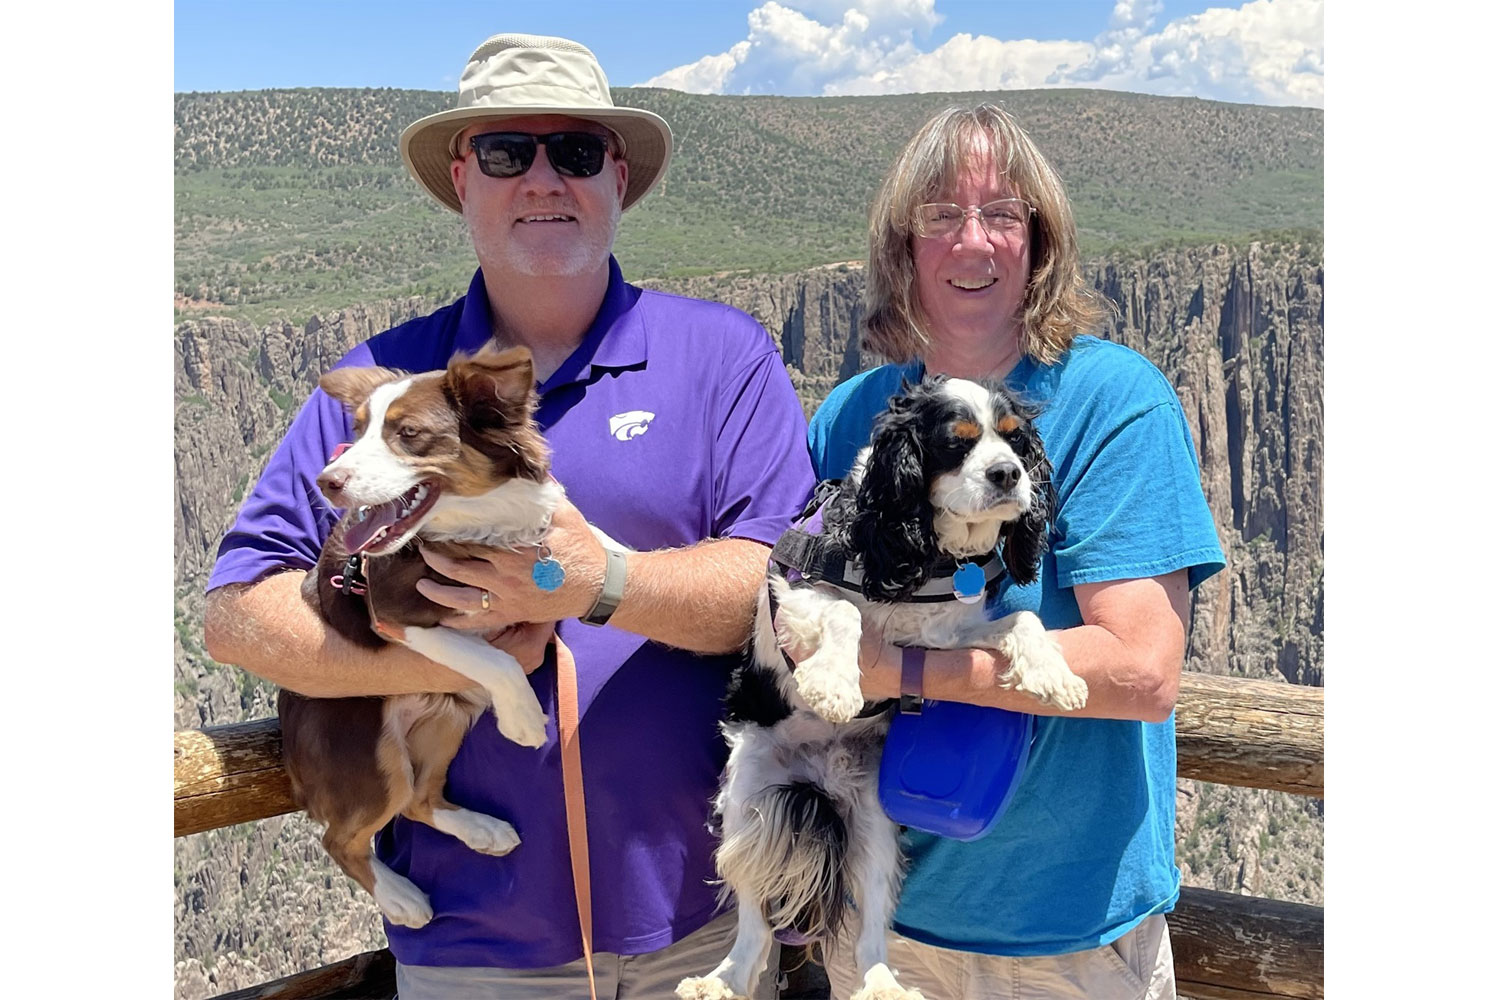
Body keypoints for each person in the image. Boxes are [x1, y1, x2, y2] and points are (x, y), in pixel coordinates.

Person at [203, 33, 813, 1000]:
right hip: (471, 944)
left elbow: (784, 595)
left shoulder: (724, 358)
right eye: (504, 152)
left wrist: (596, 583)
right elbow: (238, 614)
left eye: (574, 151)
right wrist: (472, 665)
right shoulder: (383, 393)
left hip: (704, 923)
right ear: (461, 178)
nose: (542, 178)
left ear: (617, 176)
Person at [806, 104, 1226, 999]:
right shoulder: (850, 417)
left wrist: (896, 668)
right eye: (942, 215)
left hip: (1064, 943)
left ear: (1038, 241)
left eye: (1001, 213)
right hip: (878, 929)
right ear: (902, 245)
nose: (973, 241)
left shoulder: (1114, 401)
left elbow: (1142, 670)